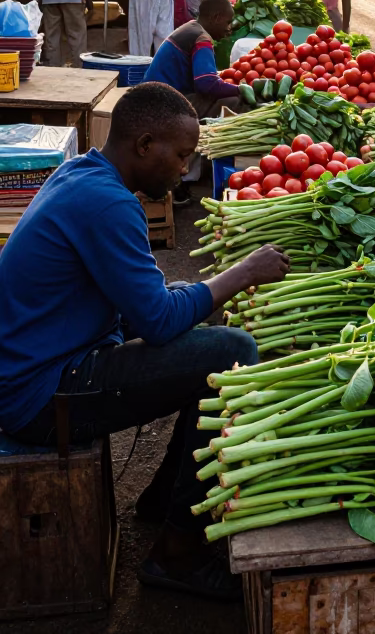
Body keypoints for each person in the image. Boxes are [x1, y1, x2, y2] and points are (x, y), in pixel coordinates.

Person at [0, 81, 289, 601]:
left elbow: (145, 298)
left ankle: (163, 501)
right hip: (40, 396)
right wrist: (242, 273)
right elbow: (155, 321)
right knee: (232, 350)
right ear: (144, 144)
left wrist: (193, 295)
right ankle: (177, 553)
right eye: (180, 156)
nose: (184, 170)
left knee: (198, 332)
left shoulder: (83, 174)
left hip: (44, 365)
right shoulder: (107, 204)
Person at [144, 0, 239, 121]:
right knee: (235, 102)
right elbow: (206, 85)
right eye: (227, 23)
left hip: (150, 96)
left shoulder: (191, 27)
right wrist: (240, 90)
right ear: (216, 18)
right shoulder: (202, 38)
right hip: (163, 104)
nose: (229, 29)